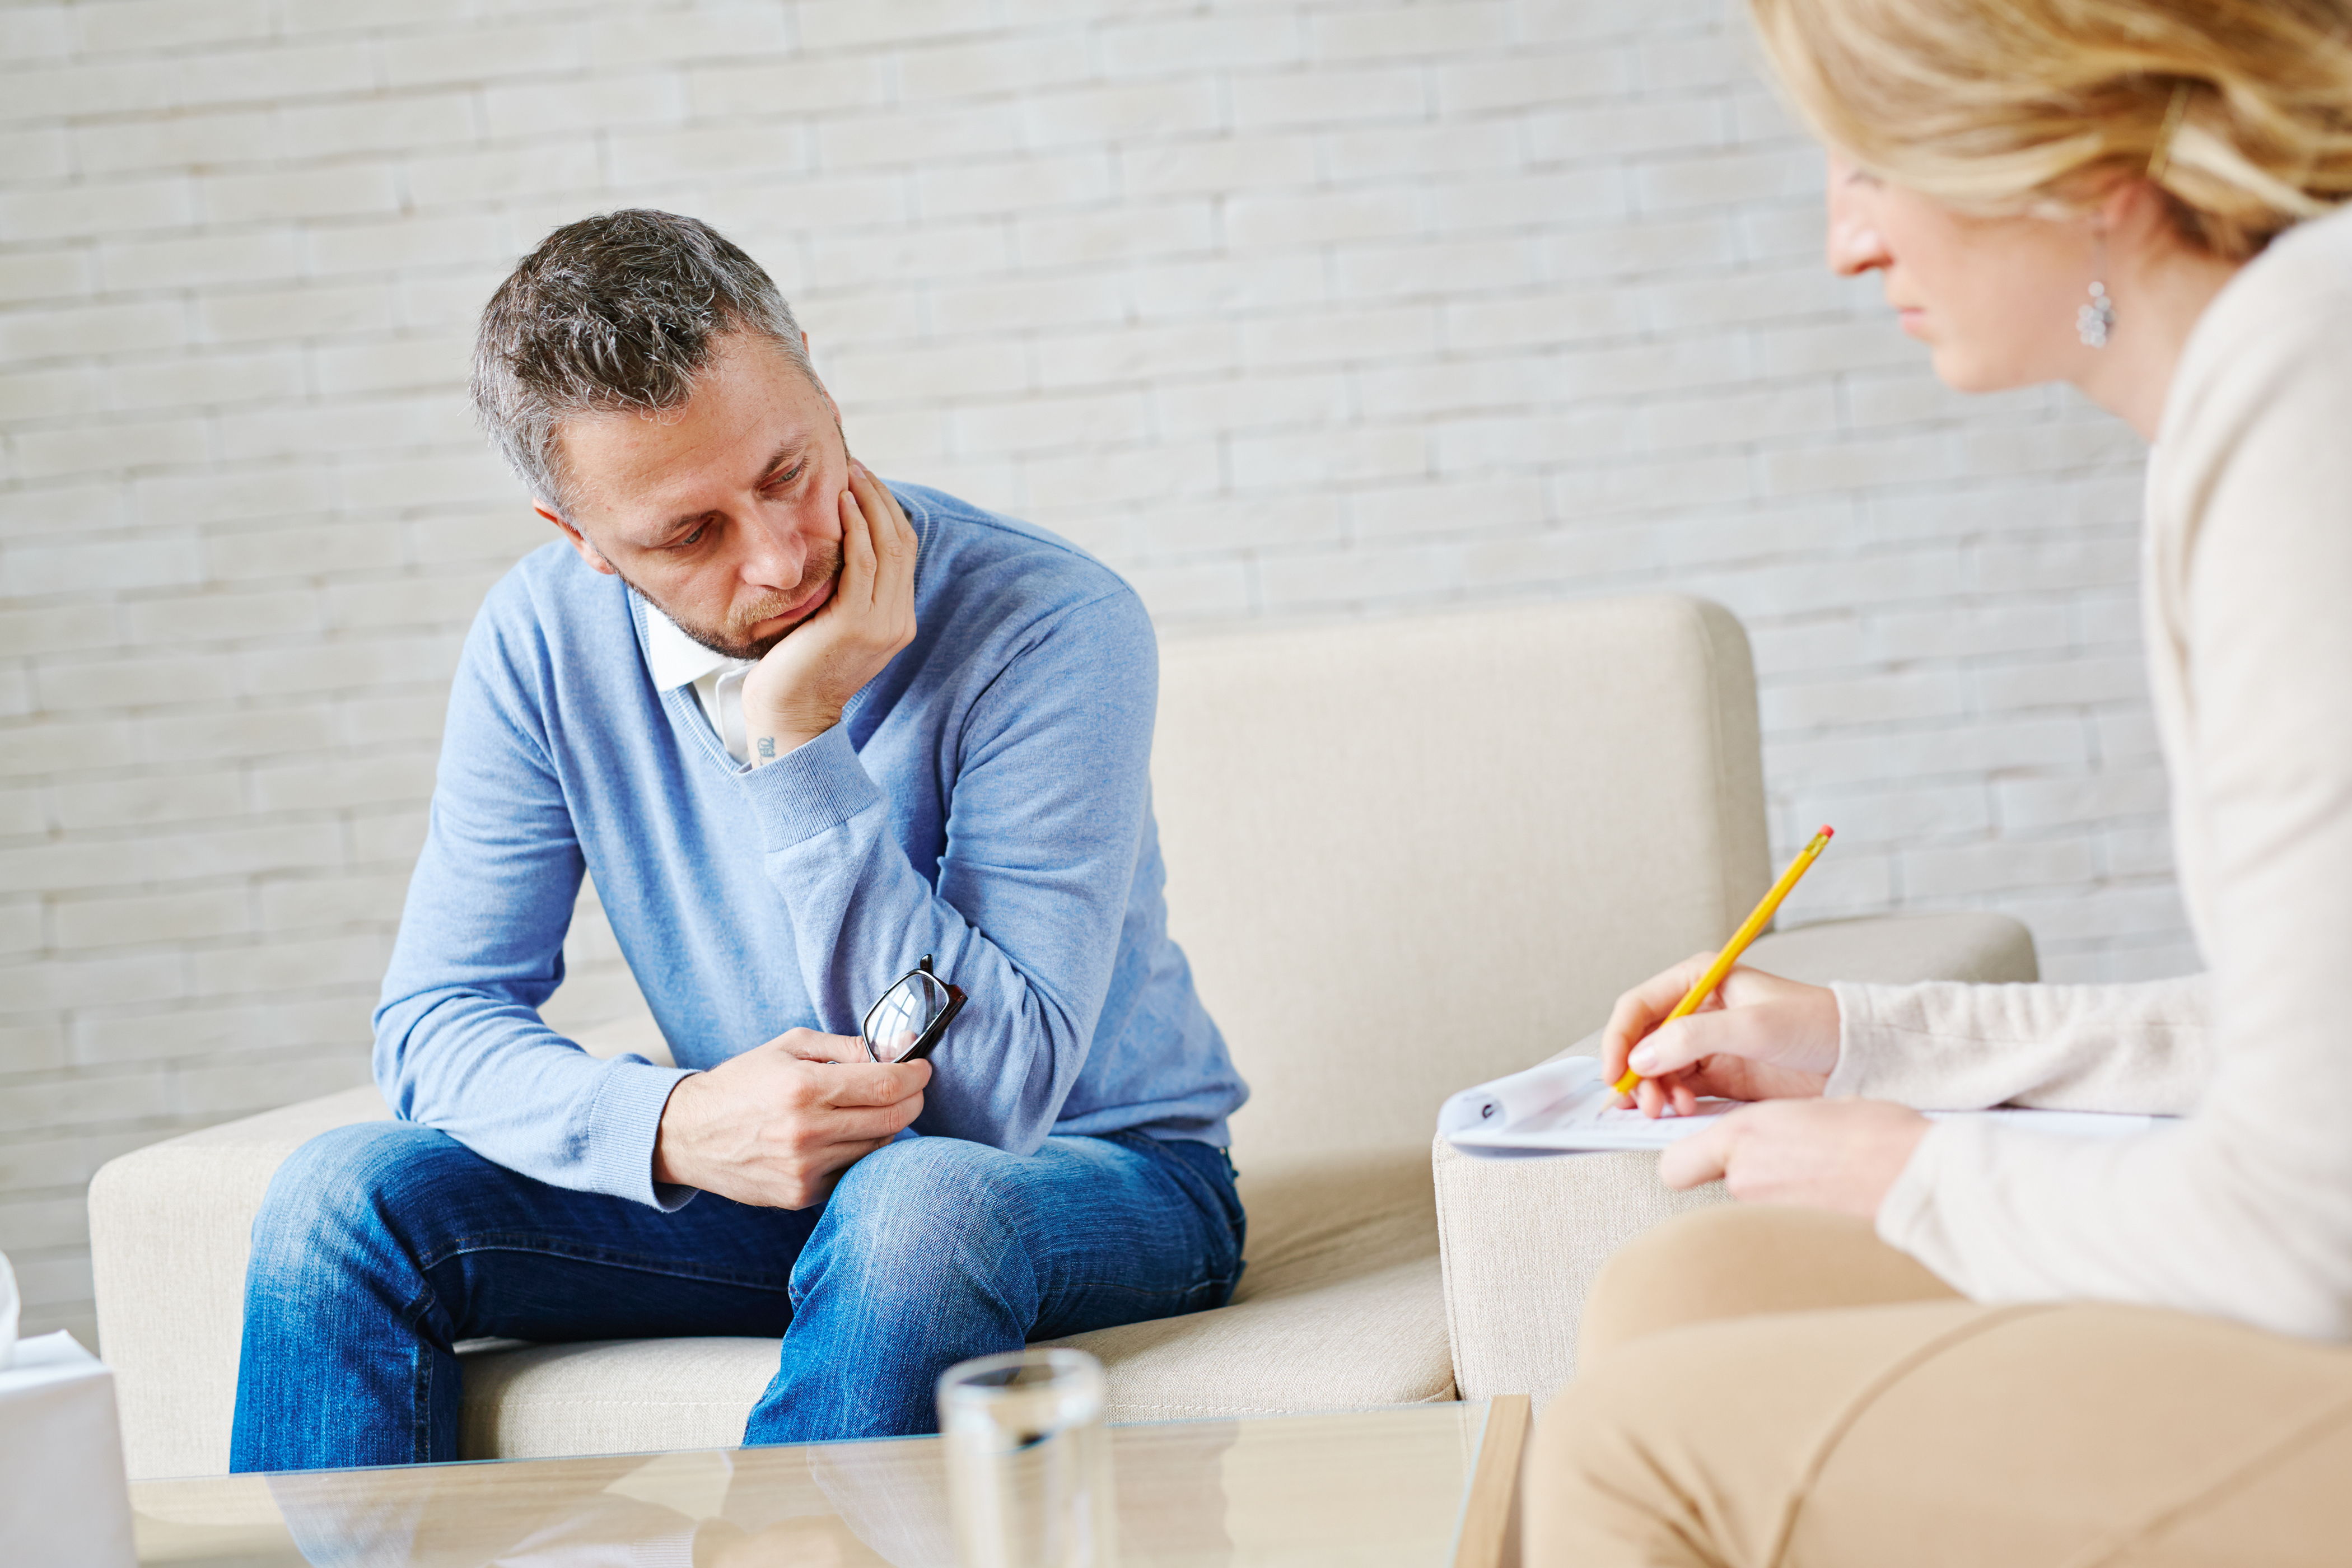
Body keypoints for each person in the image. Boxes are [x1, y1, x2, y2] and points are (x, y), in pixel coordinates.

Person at [1522, 1, 2352, 1561]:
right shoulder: (2273, 374)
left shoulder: (2307, 391)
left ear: (2073, 145)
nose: (1847, 244)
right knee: (1680, 1289)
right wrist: (1865, 1044)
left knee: (1644, 1455)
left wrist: (1920, 1171)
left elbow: (2307, 1224)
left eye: (1868, 163)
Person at [227, 209, 1249, 1471]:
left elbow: (996, 1097)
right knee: (339, 1201)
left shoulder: (1048, 623)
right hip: (767, 1188)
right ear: (580, 541)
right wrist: (676, 1122)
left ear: (815, 375)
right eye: (688, 534)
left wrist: (799, 739)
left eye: (787, 472)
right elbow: (437, 1020)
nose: (781, 558)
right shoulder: (540, 640)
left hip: (1100, 1175)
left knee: (915, 1200)